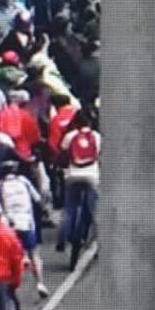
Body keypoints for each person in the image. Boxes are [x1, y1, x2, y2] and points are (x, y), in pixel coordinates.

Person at [0, 160, 48, 298]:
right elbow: (38, 199)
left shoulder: (0, 185)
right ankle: (40, 283)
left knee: (5, 257)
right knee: (34, 254)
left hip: (9, 226)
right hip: (26, 223)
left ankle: (8, 287)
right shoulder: (24, 181)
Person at [58, 109, 99, 267]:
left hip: (72, 175)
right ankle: (99, 243)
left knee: (69, 208)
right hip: (92, 176)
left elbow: (61, 154)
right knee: (96, 210)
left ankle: (62, 240)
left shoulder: (70, 136)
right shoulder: (96, 136)